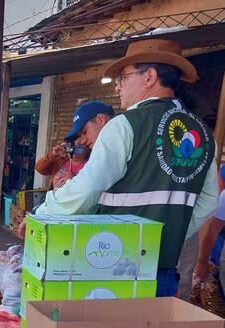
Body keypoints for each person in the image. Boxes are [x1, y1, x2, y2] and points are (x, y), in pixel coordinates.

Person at [27, 39, 219, 297]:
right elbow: (208, 201)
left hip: (112, 266)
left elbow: (85, 190)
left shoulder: (124, 125)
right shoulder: (205, 134)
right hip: (163, 269)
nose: (117, 87)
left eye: (123, 78)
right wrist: (168, 233)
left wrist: (42, 213)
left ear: (149, 77)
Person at [35, 101, 114, 189]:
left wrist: (75, 180)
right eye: (72, 144)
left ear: (88, 148)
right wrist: (53, 155)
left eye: (80, 146)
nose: (75, 147)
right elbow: (40, 168)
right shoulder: (61, 161)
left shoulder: (91, 165)